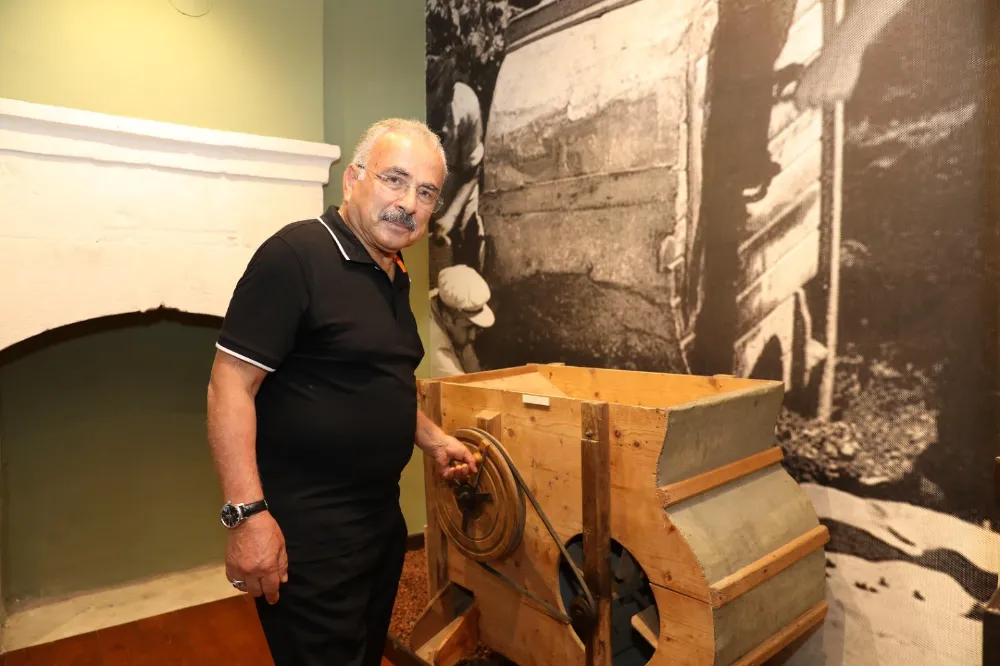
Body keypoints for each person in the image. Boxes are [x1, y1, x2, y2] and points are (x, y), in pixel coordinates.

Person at [205, 118, 479, 666]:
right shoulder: (295, 256)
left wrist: (433, 439)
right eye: (394, 179)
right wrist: (248, 517)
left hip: (379, 524)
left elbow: (377, 381)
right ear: (353, 179)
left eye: (426, 192)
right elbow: (228, 384)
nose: (409, 203)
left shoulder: (394, 272)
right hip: (308, 537)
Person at [428, 264, 495, 376]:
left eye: (475, 327)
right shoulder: (436, 350)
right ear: (447, 318)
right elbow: (471, 385)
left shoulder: (441, 298)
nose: (473, 336)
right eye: (468, 328)